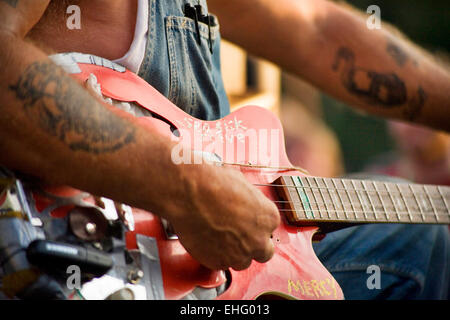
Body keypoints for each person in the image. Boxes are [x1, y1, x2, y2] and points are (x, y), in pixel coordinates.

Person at [0, 0, 448, 299]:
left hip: (219, 278)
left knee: (412, 231)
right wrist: (180, 186)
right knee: (416, 248)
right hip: (69, 261)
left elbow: (318, 30)